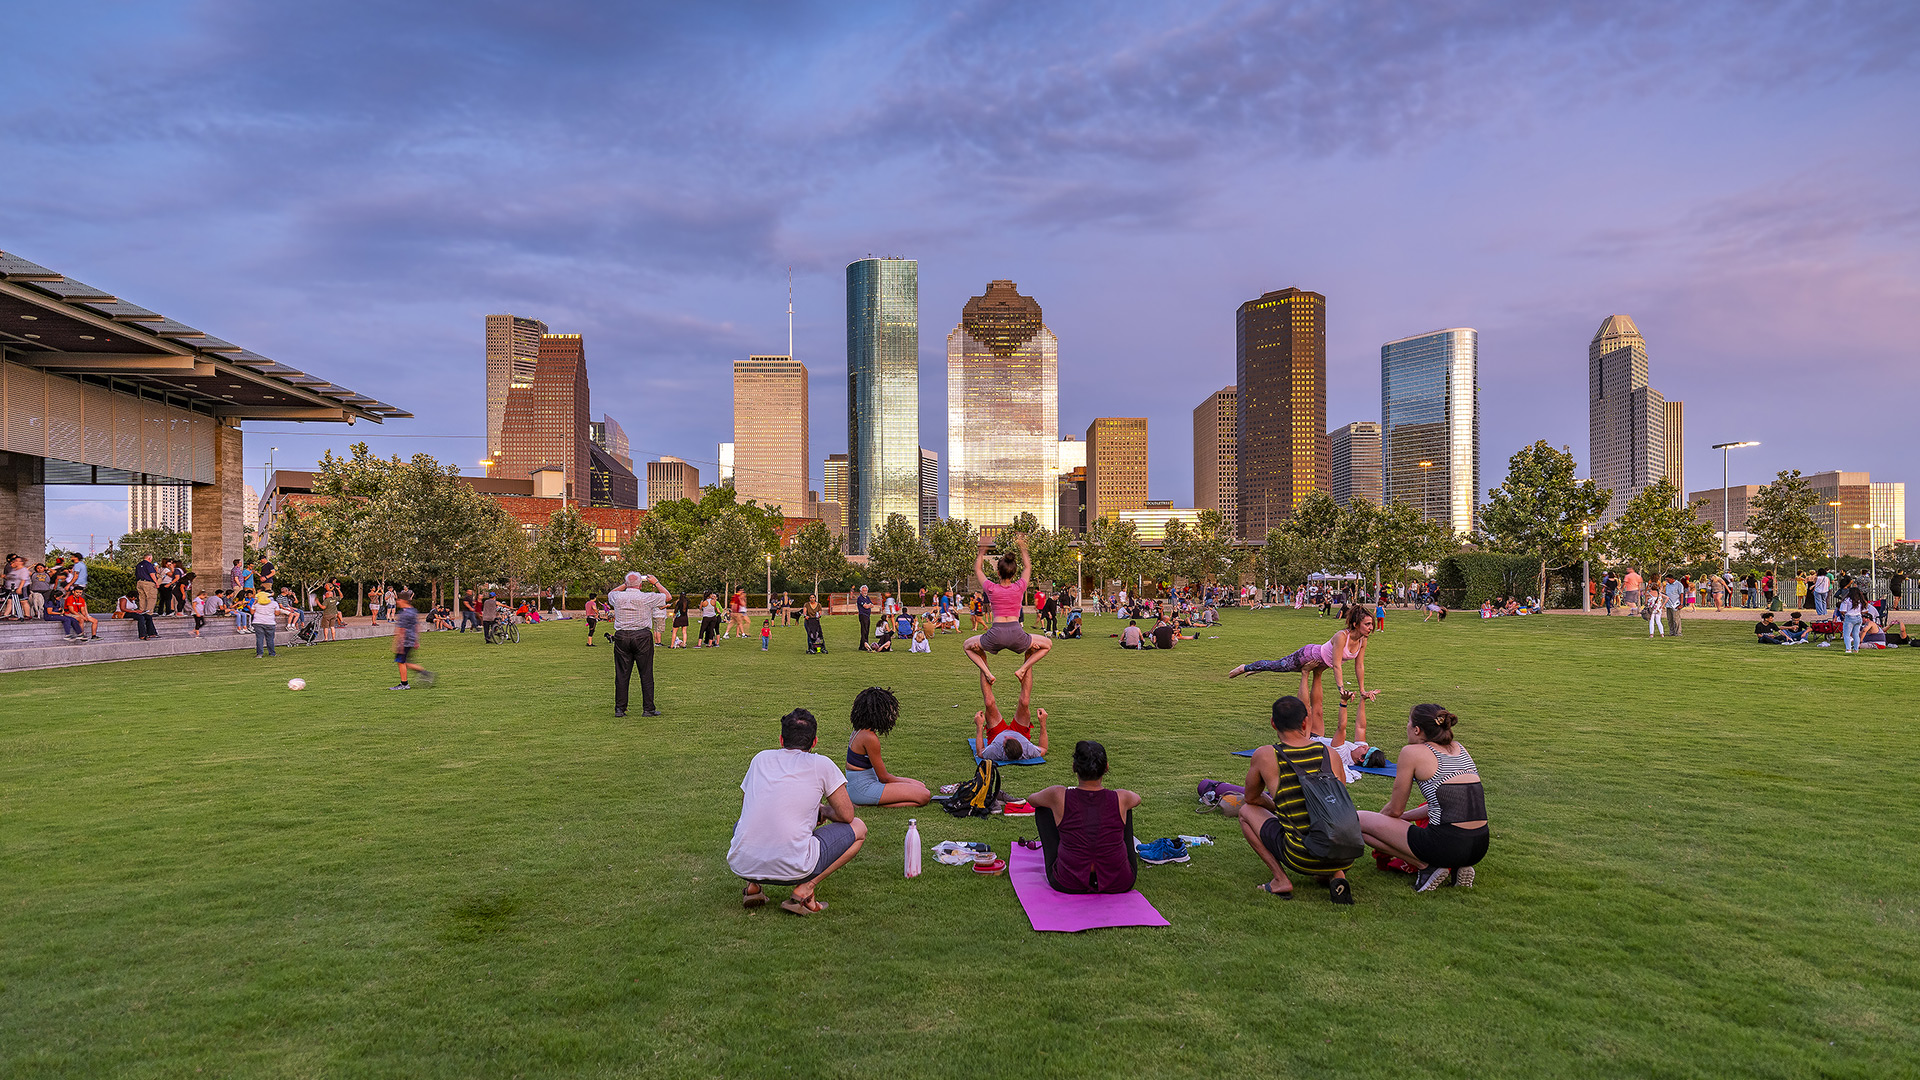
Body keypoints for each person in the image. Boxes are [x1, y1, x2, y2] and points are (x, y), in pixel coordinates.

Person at [727, 708, 866, 916]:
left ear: (781, 740)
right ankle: (805, 890)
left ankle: (753, 886)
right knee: (859, 828)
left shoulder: (760, 759)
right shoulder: (821, 764)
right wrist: (824, 812)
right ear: (815, 741)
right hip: (795, 867)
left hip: (743, 864)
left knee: (744, 823)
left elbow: (748, 806)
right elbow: (847, 815)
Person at [1355, 704, 1489, 892]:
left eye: (1408, 723)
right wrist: (1402, 819)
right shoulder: (1460, 748)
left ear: (1417, 729)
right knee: (1431, 816)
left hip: (1445, 843)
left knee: (1358, 821)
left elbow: (1395, 809)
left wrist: (1381, 821)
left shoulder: (1412, 752)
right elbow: (1448, 804)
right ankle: (1458, 865)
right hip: (1479, 845)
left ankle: (1426, 866)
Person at [1237, 695, 1355, 903]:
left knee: (1246, 812)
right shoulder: (1330, 753)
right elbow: (1338, 807)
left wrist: (1276, 805)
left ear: (1273, 723)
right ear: (1305, 722)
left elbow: (1251, 798)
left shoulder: (1266, 755)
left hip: (1301, 856)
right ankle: (1336, 873)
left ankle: (1280, 880)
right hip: (1346, 852)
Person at [1226, 605, 1377, 737]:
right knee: (1278, 665)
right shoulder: (1342, 636)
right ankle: (1245, 667)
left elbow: (1360, 665)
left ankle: (1260, 668)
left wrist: (1362, 690)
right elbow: (1337, 665)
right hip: (1308, 655)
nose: (1371, 627)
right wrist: (1341, 689)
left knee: (1278, 668)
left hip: (1322, 664)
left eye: (1371, 624)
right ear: (1356, 624)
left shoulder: (1363, 640)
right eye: (1367, 624)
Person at [1022, 741, 1140, 895]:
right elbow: (1137, 799)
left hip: (1068, 881)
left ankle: (1064, 856)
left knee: (1043, 808)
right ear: (1106, 768)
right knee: (1125, 808)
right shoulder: (1121, 797)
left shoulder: (1058, 795)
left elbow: (1032, 799)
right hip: (1119, 881)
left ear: (1074, 767)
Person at [963, 532, 1051, 686]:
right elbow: (1028, 566)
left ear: (998, 573)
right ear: (1014, 573)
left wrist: (981, 552)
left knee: (967, 646)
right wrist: (1022, 546)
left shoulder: (991, 588)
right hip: (1016, 634)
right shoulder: (1019, 586)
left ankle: (987, 672)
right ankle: (1022, 669)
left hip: (995, 634)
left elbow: (978, 570)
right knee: (1047, 644)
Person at [842, 686, 931, 807]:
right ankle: (869, 804)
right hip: (862, 790)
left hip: (860, 785)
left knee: (921, 786)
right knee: (924, 796)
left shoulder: (860, 730)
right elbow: (884, 777)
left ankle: (872, 801)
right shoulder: (869, 738)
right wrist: (907, 785)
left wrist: (911, 785)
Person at [610, 572, 673, 717]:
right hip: (642, 636)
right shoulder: (646, 597)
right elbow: (668, 597)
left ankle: (620, 709)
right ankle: (648, 708)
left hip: (622, 635)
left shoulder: (618, 596)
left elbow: (611, 593)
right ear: (640, 584)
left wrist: (627, 584)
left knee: (622, 674)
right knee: (646, 673)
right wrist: (656, 582)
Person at [974, 675, 1048, 762]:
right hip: (1020, 733)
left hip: (996, 735)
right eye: (1011, 738)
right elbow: (1043, 748)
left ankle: (983, 664)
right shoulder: (1028, 749)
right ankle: (1028, 663)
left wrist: (979, 726)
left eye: (1005, 739)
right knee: (1024, 702)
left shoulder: (995, 751)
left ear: (1003, 751)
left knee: (989, 703)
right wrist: (1043, 723)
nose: (1007, 735)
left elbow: (980, 752)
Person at [389, 590, 434, 689]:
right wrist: (416, 640)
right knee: (405, 662)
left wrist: (399, 644)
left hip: (405, 641)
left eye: (398, 600)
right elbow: (416, 626)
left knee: (401, 662)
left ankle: (404, 684)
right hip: (411, 639)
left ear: (403, 601)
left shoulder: (404, 613)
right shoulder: (413, 611)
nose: (397, 602)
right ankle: (425, 673)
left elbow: (401, 630)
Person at [1838, 585, 1868, 654]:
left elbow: (1842, 610)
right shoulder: (1860, 600)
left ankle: (1848, 649)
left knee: (1847, 634)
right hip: (1858, 617)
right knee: (1856, 634)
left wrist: (1844, 614)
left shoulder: (1846, 600)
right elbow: (1865, 611)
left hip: (1849, 617)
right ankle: (1856, 649)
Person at [251, 590, 280, 658]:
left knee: (259, 638)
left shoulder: (256, 604)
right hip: (270, 622)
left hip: (258, 622)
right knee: (270, 639)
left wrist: (254, 603)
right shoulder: (274, 603)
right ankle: (272, 653)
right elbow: (277, 613)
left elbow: (252, 612)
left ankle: (259, 654)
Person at [1662, 573, 1684, 637]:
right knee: (1670, 619)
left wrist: (1681, 604)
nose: (1667, 581)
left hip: (1675, 604)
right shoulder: (1668, 585)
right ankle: (1671, 632)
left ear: (1672, 579)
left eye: (1668, 580)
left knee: (1676, 619)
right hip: (1668, 604)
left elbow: (1681, 594)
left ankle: (1678, 633)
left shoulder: (1679, 584)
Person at [855, 585, 874, 651]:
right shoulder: (860, 598)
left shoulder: (867, 598)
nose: (865, 592)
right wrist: (868, 605)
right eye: (864, 591)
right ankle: (864, 645)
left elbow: (872, 605)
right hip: (863, 615)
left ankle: (863, 645)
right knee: (864, 630)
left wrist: (868, 605)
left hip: (868, 615)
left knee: (867, 630)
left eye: (866, 590)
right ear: (861, 591)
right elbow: (865, 606)